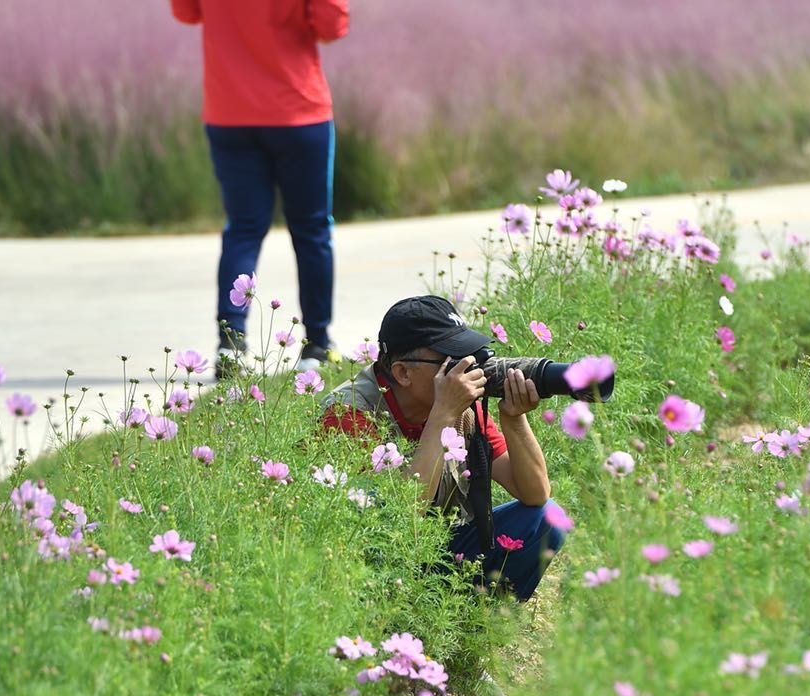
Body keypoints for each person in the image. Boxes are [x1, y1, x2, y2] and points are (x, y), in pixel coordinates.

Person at [320, 296, 567, 601]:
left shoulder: (464, 408)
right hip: (368, 571)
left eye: (471, 356)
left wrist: (513, 419)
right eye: (452, 360)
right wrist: (442, 415)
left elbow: (535, 494)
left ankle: (476, 624)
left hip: (441, 554)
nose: (469, 369)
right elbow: (394, 520)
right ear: (403, 373)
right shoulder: (349, 413)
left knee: (546, 518)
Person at [169, 0, 349, 377]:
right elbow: (332, 27)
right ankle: (317, 343)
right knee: (312, 228)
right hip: (297, 111)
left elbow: (185, 13)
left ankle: (231, 345)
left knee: (244, 229)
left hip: (229, 112)